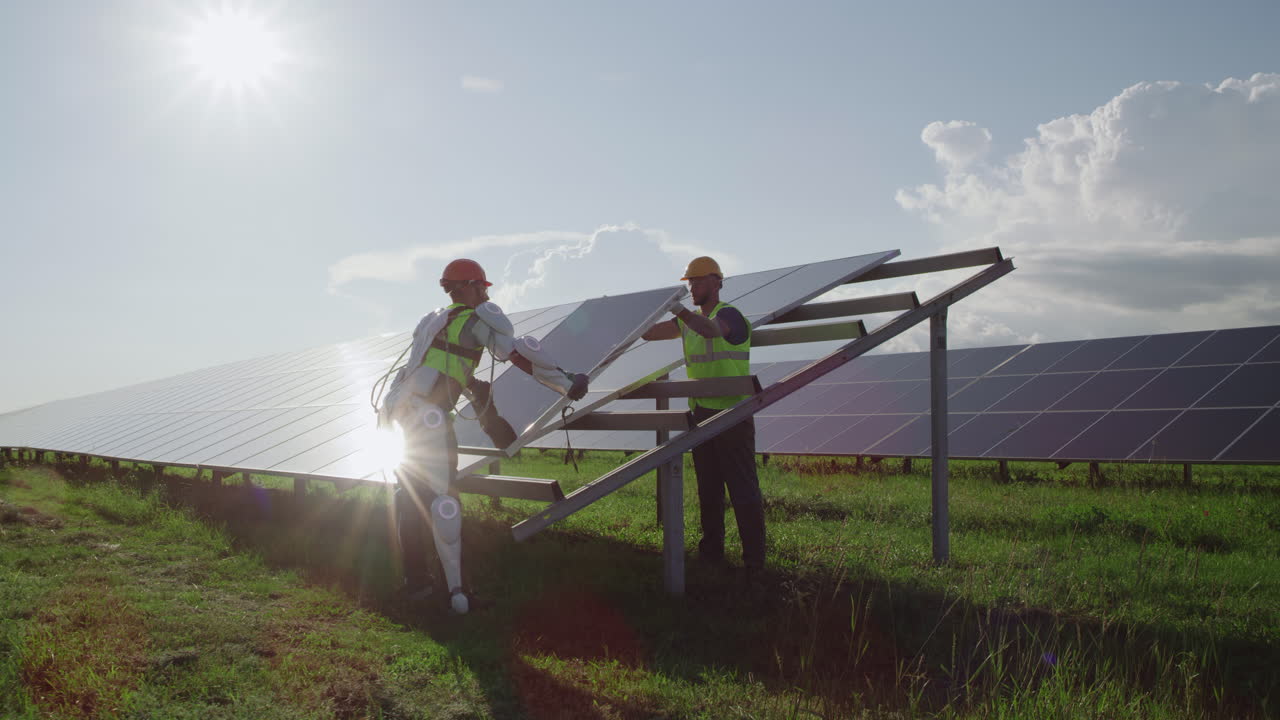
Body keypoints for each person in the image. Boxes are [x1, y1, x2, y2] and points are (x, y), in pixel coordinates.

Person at [377, 258, 589, 613]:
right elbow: (517, 353)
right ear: (472, 287)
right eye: (481, 287)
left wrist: (473, 387)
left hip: (403, 413)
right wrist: (566, 383)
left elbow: (437, 364)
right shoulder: (477, 320)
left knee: (411, 497)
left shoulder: (436, 321)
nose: (483, 293)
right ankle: (457, 595)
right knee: (445, 499)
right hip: (429, 417)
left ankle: (416, 584)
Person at [641, 256, 766, 579]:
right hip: (702, 412)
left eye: (696, 281)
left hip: (733, 412)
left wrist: (677, 309)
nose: (691, 287)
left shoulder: (729, 316)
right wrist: (640, 317)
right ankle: (712, 553)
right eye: (689, 282)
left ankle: (754, 562)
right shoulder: (687, 321)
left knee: (742, 489)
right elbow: (651, 334)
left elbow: (711, 331)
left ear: (716, 281)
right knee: (708, 488)